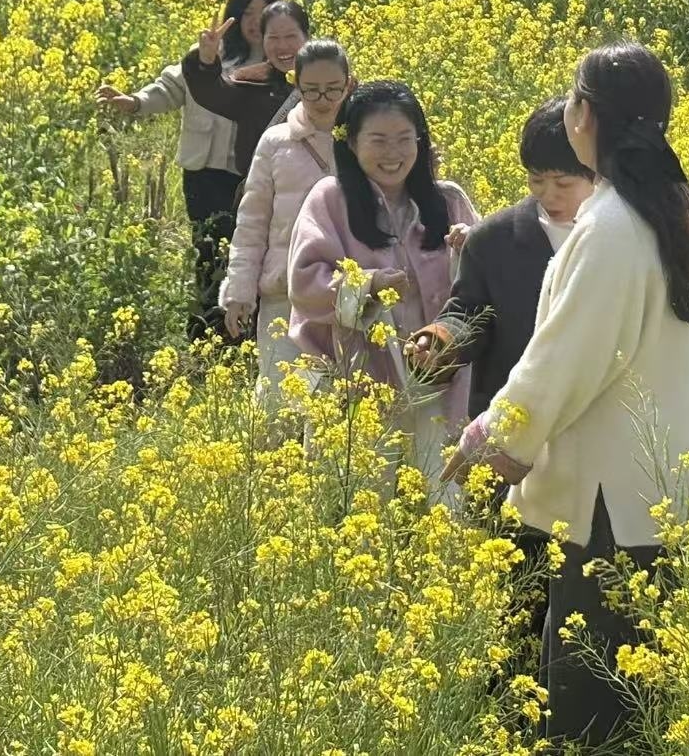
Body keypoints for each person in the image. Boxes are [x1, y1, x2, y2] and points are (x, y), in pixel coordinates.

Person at [444, 42, 689, 748]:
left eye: (573, 99)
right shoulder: (672, 209)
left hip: (608, 504)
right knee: (640, 698)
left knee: (589, 710)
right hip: (658, 493)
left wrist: (492, 437)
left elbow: (565, 358)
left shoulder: (611, 226)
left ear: (587, 116)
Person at [405, 97, 596, 673]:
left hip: (590, 443)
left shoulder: (616, 240)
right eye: (537, 181)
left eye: (564, 182)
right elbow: (468, 311)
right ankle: (512, 700)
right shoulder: (496, 239)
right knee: (519, 590)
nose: (549, 195)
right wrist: (439, 340)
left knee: (590, 595)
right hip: (513, 438)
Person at [287, 81, 479, 501]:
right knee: (362, 500)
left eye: (404, 139)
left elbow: (483, 289)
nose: (393, 153)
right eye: (378, 140)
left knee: (449, 494)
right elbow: (304, 282)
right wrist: (368, 284)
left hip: (439, 376)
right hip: (361, 379)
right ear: (350, 142)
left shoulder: (448, 201)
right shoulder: (330, 200)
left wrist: (474, 246)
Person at [96, 0, 277, 338]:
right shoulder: (211, 53)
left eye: (263, 12)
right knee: (208, 253)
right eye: (247, 12)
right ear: (233, 16)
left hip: (251, 177)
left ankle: (247, 334)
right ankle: (208, 332)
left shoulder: (281, 64)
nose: (254, 21)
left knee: (249, 253)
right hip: (203, 173)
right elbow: (171, 88)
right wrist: (134, 102)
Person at [220, 39, 354, 411]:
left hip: (348, 295)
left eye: (333, 89)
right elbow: (252, 223)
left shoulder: (363, 139)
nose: (323, 100)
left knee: (339, 410)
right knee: (279, 406)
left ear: (349, 84)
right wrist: (240, 291)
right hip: (284, 294)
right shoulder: (276, 142)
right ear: (295, 84)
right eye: (311, 90)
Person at [182, 0, 311, 182]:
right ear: (263, 40)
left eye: (290, 36)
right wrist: (206, 61)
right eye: (273, 38)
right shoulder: (251, 83)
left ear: (307, 36)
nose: (282, 46)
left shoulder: (329, 79)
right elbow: (212, 94)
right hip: (262, 190)